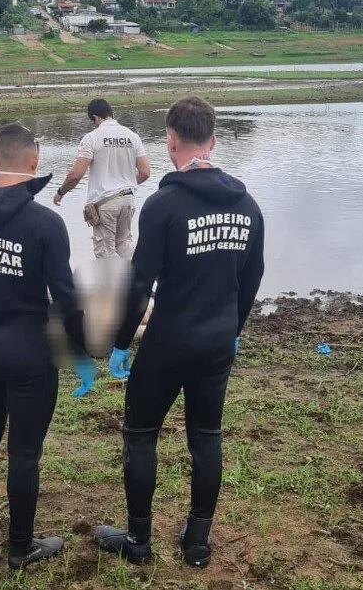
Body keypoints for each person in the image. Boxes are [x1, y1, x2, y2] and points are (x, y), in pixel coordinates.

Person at [94, 96, 265, 568]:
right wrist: (234, 329)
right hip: (215, 342)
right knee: (206, 436)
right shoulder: (247, 205)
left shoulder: (165, 205)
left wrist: (122, 343)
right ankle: (196, 543)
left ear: (170, 141)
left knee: (141, 433)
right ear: (213, 140)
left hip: (169, 341)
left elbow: (139, 284)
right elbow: (252, 277)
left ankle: (139, 541)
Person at [0, 122, 96, 570]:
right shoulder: (45, 223)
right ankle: (20, 547)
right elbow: (66, 298)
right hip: (30, 355)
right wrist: (80, 353)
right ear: (34, 163)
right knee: (25, 452)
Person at [53, 98, 150, 259]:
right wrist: (125, 183)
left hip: (106, 202)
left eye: (93, 121)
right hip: (128, 199)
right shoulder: (132, 136)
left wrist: (61, 191)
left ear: (95, 118)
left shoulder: (92, 138)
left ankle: (113, 284)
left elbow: (75, 175)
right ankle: (140, 279)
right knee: (124, 244)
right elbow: (145, 172)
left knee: (105, 251)